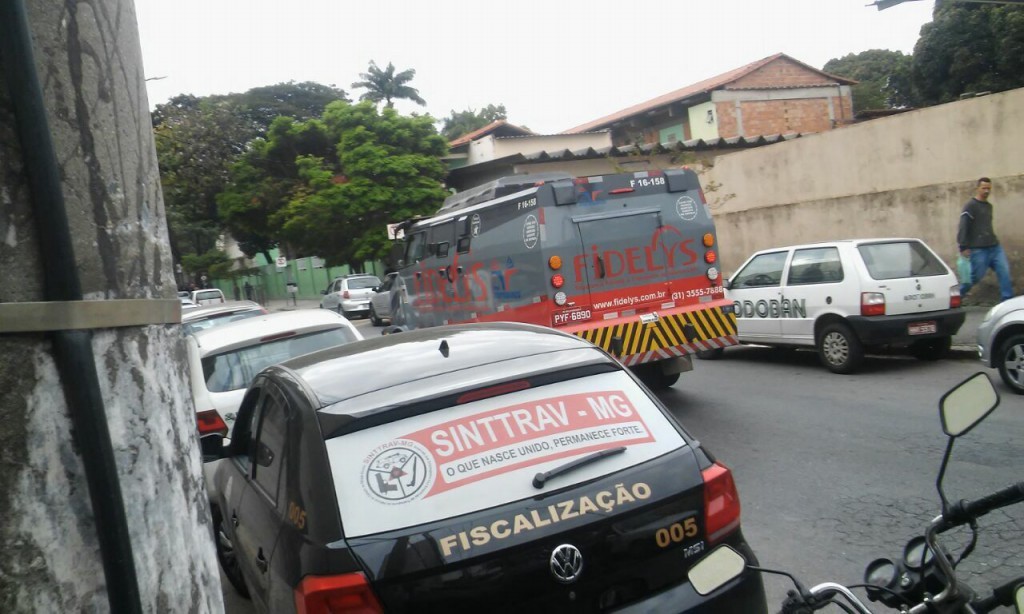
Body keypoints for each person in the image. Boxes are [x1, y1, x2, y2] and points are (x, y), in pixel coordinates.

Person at [957, 177, 1013, 301]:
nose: (986, 191)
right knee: (974, 278)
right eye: (984, 188)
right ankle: (957, 295)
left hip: (995, 247)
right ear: (977, 188)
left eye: (988, 188)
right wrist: (963, 246)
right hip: (978, 249)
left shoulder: (989, 206)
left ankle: (1007, 300)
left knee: (1004, 272)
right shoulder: (970, 206)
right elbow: (963, 226)